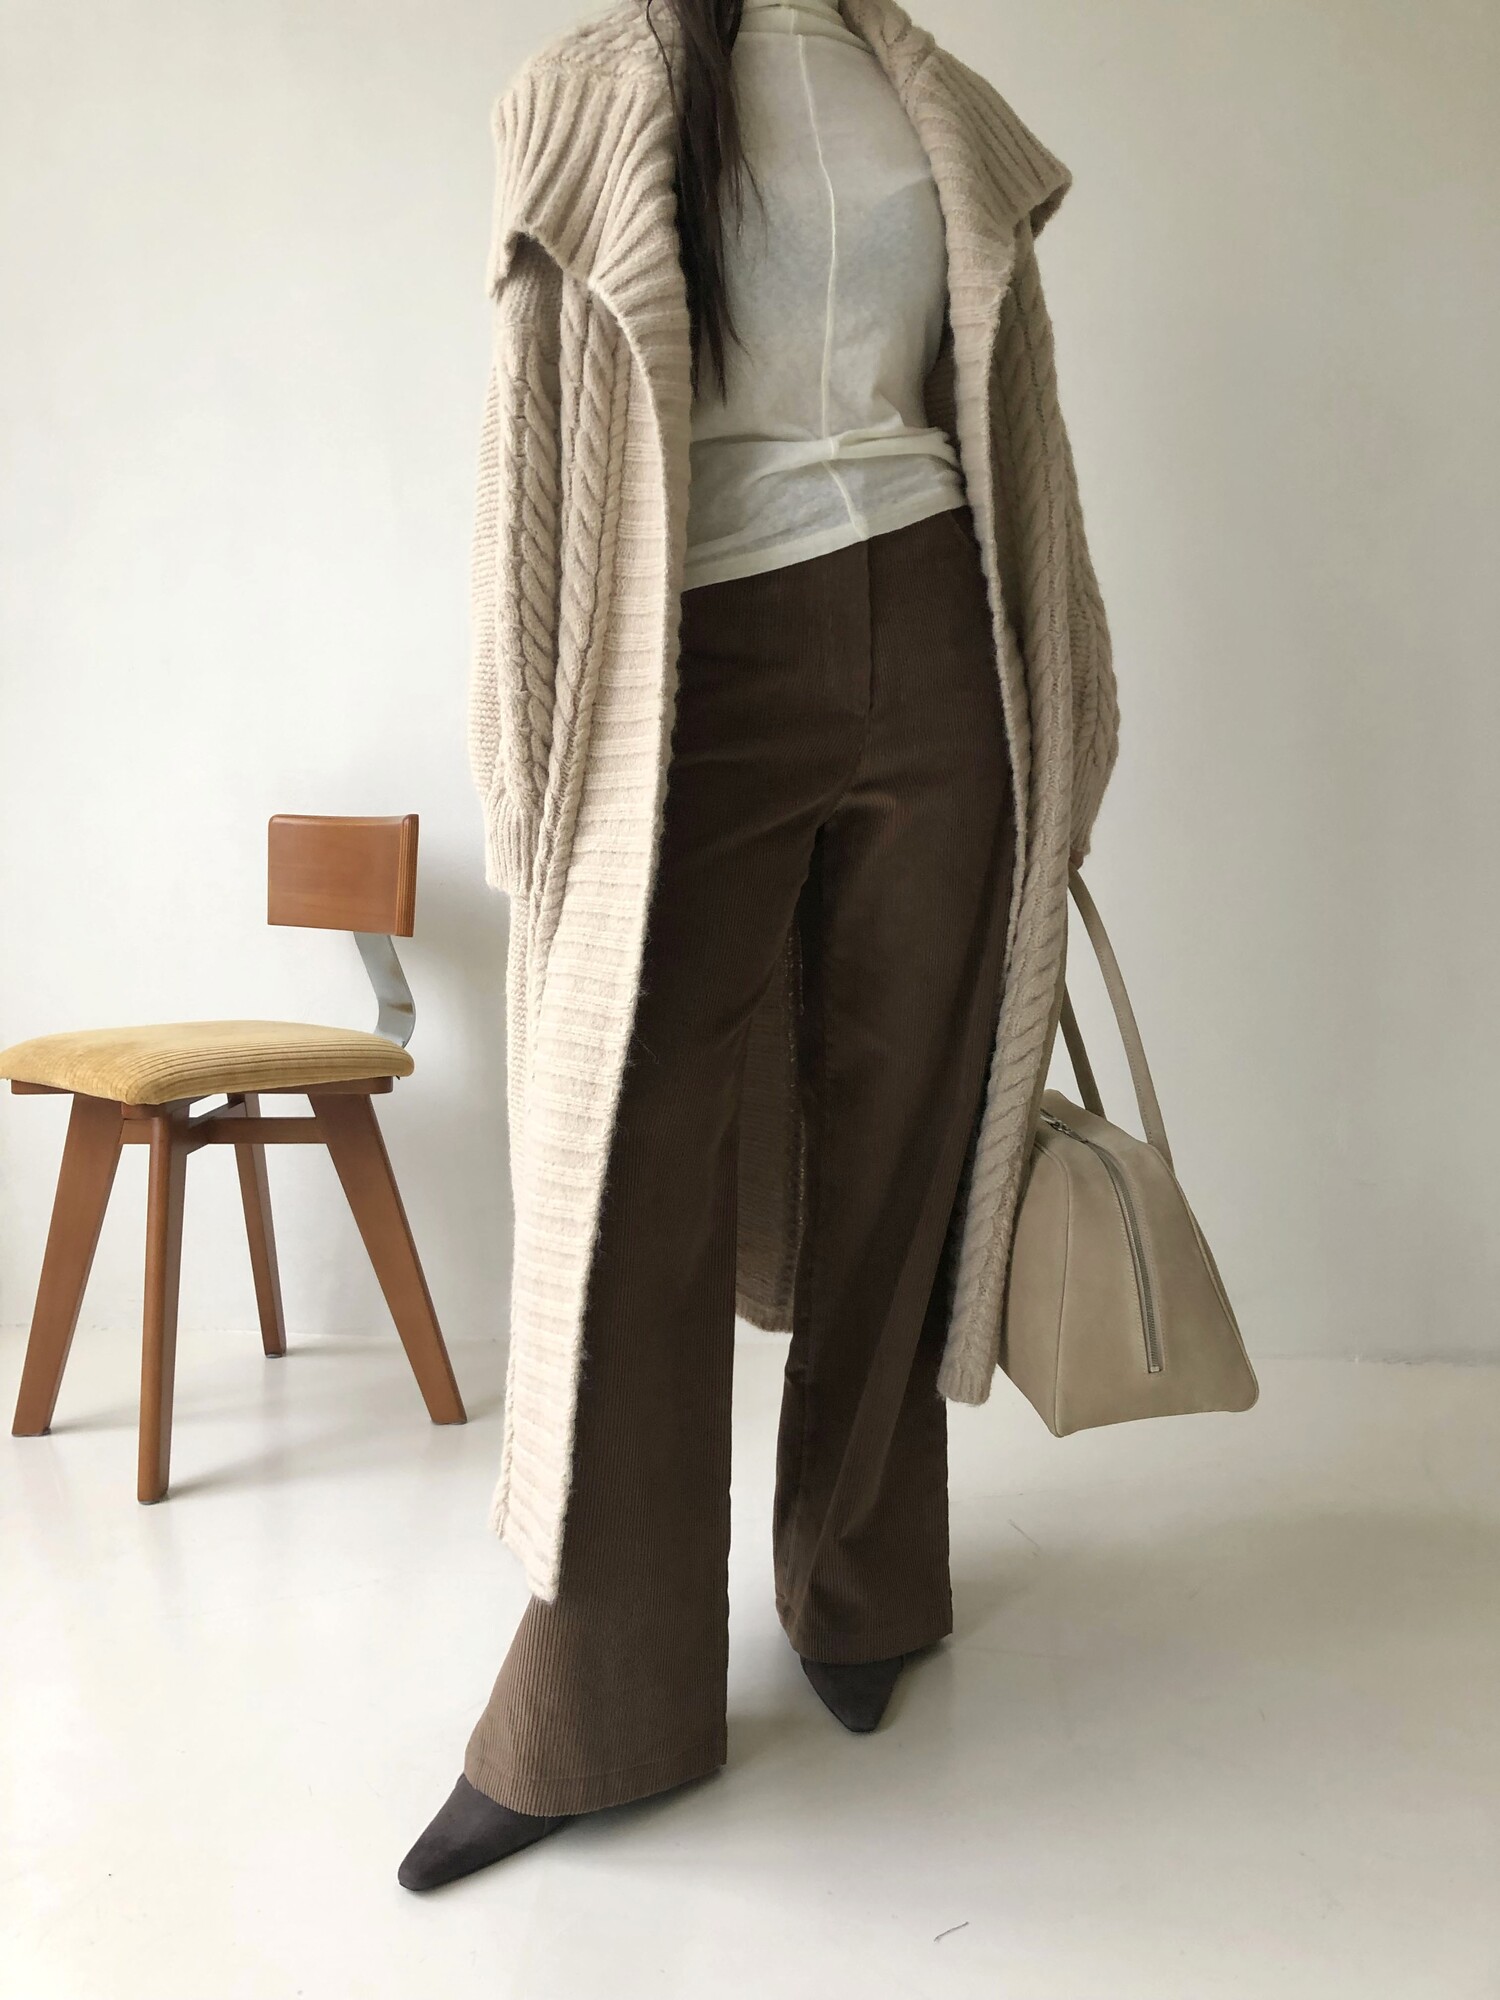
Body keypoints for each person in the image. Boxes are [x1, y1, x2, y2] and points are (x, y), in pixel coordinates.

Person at [399, 0, 1119, 1890]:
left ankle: (862, 1586)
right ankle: (598, 1711)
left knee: (903, 1139)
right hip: (693, 665)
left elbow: (1009, 418)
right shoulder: (587, 95)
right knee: (631, 1172)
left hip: (940, 640)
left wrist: (1067, 692)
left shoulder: (934, 93)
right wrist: (522, 774)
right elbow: (527, 461)